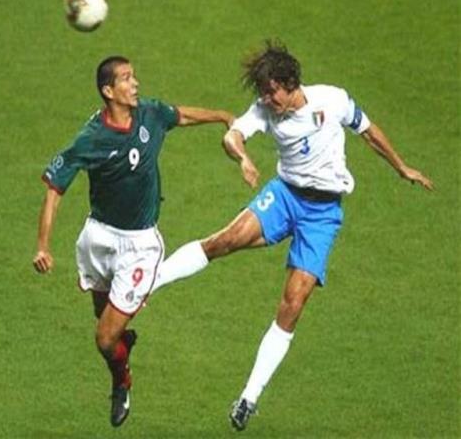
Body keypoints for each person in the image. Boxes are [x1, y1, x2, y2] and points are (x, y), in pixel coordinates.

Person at [150, 41, 433, 431]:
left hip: (323, 215)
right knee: (224, 240)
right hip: (285, 196)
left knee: (292, 304)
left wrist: (401, 167)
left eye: (272, 92)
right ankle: (148, 284)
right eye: (263, 93)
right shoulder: (265, 110)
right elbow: (233, 136)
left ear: (290, 82)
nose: (267, 100)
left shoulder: (332, 100)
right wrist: (243, 157)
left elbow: (367, 132)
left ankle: (248, 398)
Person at [32, 55, 234, 428]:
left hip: (139, 245)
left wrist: (221, 115)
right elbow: (54, 188)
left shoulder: (150, 114)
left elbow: (181, 116)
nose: (135, 83)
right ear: (109, 91)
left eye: (134, 76)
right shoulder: (92, 138)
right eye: (126, 78)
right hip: (98, 238)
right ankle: (124, 344)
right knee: (104, 320)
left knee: (105, 339)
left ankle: (121, 382)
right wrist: (43, 245)